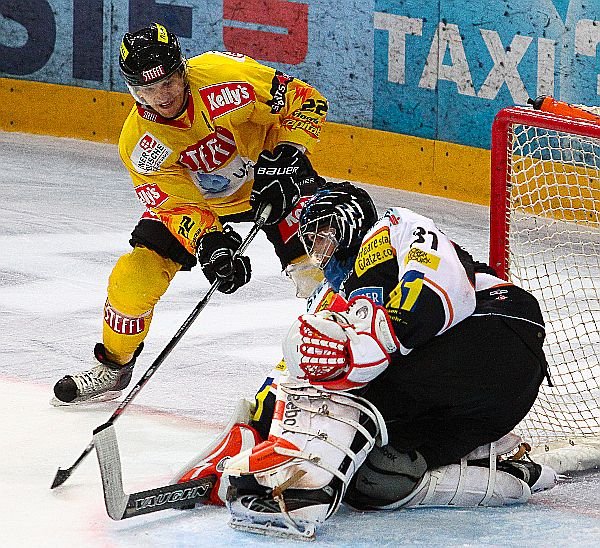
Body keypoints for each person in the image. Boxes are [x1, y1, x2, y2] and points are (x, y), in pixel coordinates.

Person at [169, 182, 557, 540]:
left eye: (323, 233)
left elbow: (438, 284)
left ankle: (305, 489)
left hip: (496, 331)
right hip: (484, 406)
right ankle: (496, 463)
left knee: (335, 353)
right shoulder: (335, 294)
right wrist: (253, 432)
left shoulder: (391, 229)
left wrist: (381, 336)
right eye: (311, 240)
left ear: (349, 220)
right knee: (374, 479)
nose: (318, 248)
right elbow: (293, 372)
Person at [51, 22, 328, 405]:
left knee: (320, 270)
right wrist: (208, 242)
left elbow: (305, 99)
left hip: (273, 179)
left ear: (182, 70)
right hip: (204, 203)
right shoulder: (139, 144)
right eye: (147, 89)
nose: (161, 96)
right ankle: (114, 367)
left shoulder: (225, 76)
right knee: (134, 280)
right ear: (133, 90)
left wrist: (289, 153)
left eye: (167, 82)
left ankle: (347, 362)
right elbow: (174, 203)